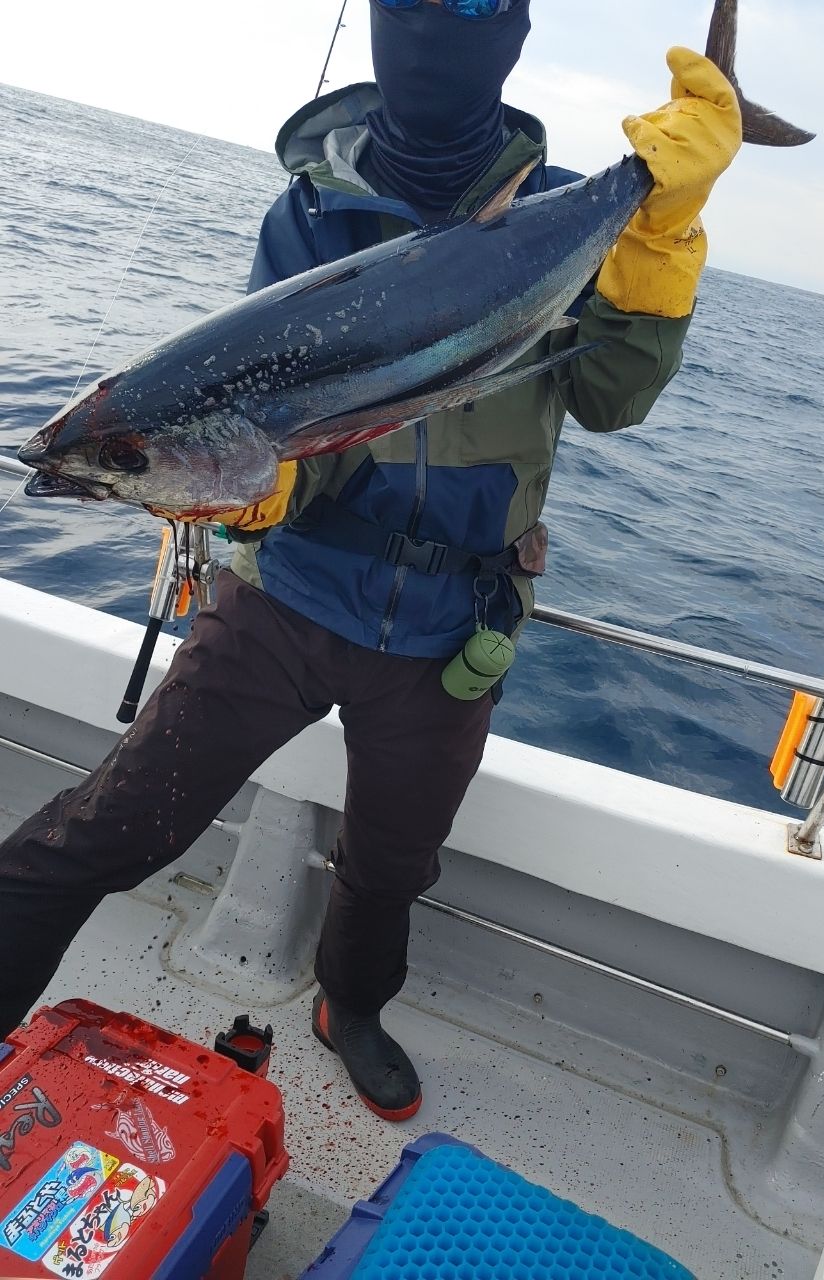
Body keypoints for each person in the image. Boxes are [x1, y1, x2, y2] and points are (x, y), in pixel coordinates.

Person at [0, 0, 741, 1121]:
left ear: (510, 41)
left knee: (392, 865)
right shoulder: (309, 217)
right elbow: (251, 411)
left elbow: (611, 395)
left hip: (452, 626)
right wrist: (262, 491)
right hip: (284, 601)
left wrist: (662, 230)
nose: (436, 42)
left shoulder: (560, 212)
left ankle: (350, 1006)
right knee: (110, 826)